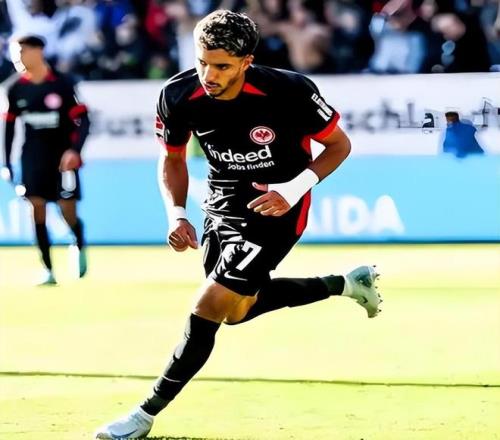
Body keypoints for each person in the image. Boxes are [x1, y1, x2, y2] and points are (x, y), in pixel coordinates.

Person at [95, 10, 382, 439]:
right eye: (202, 62)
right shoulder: (178, 94)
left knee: (209, 304)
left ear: (247, 61)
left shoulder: (289, 91)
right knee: (236, 311)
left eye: (222, 66)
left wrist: (292, 190)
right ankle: (344, 284)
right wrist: (177, 213)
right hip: (222, 202)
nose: (209, 75)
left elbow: (339, 145)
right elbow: (172, 158)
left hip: (276, 209)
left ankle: (143, 414)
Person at [1, 35, 90, 284]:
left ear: (38, 51)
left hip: (62, 158)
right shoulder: (14, 88)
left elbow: (84, 121)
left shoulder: (63, 83)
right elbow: (9, 129)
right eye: (14, 53)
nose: (17, 58)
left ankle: (78, 242)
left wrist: (75, 151)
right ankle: (48, 269)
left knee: (67, 210)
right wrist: (6, 163)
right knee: (36, 207)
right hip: (32, 157)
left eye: (21, 51)